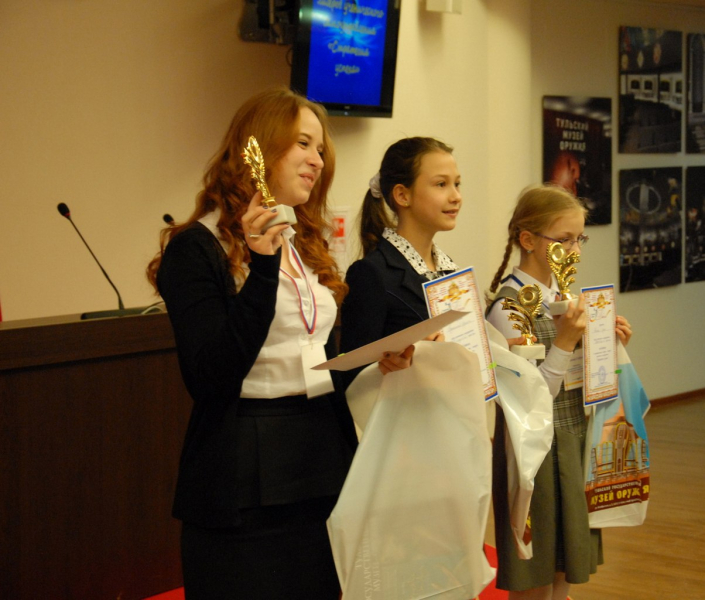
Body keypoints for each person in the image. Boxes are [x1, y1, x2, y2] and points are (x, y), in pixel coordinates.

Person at [146, 87, 357, 600]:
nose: (317, 160)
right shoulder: (198, 247)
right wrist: (261, 269)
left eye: (321, 149)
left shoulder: (302, 240)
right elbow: (211, 375)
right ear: (258, 149)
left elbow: (317, 352)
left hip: (322, 454)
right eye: (303, 144)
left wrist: (379, 363)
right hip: (245, 467)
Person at [485, 184, 633, 600]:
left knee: (565, 573)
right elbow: (530, 401)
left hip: (571, 440)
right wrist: (566, 342)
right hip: (533, 454)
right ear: (528, 240)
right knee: (535, 577)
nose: (575, 250)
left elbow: (579, 380)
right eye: (564, 239)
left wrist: (609, 348)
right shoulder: (509, 307)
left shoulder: (562, 298)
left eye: (579, 238)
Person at [339, 137, 462, 386]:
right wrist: (401, 366)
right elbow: (351, 377)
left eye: (457, 184)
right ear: (402, 195)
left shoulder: (451, 270)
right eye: (441, 184)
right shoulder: (371, 273)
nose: (456, 196)